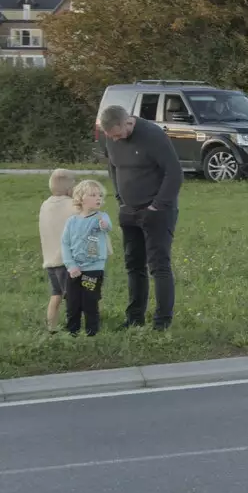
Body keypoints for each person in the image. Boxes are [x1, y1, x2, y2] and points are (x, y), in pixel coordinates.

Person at [100, 104, 183, 330]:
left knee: (159, 266)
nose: (114, 140)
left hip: (157, 212)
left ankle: (162, 322)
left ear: (126, 123)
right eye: (109, 137)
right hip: (128, 211)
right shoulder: (111, 138)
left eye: (116, 135)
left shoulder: (152, 136)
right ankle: (134, 318)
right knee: (134, 266)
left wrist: (157, 206)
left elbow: (174, 173)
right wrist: (119, 198)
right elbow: (113, 168)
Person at [60, 179, 112, 337]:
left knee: (90, 301)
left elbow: (108, 226)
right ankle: (72, 332)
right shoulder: (72, 221)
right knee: (72, 303)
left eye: (100, 195)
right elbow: (65, 244)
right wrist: (71, 265)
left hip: (93, 270)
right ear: (81, 198)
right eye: (93, 195)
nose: (98, 198)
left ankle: (91, 333)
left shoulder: (101, 217)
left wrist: (104, 225)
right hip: (75, 270)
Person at [37, 169, 79, 331]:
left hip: (50, 259)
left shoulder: (45, 205)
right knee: (72, 296)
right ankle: (73, 327)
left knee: (56, 294)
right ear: (70, 189)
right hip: (66, 260)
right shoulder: (72, 205)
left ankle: (51, 328)